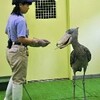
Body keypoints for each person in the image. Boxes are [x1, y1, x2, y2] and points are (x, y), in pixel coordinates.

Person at [4, 0, 50, 100]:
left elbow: (7, 32)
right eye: (27, 4)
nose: (29, 7)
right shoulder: (20, 19)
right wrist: (38, 42)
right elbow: (21, 38)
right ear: (20, 5)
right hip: (18, 52)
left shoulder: (11, 16)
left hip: (10, 49)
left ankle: (7, 98)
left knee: (15, 75)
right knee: (18, 81)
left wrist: (36, 39)